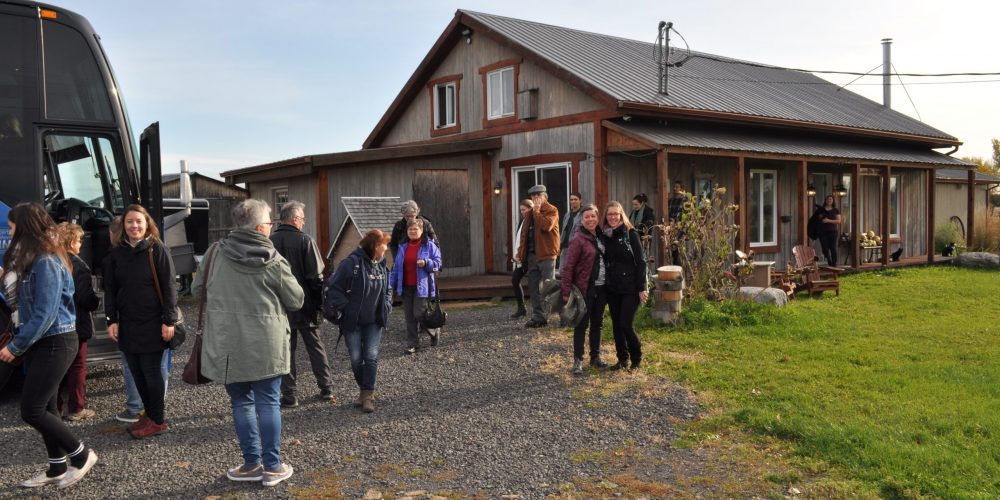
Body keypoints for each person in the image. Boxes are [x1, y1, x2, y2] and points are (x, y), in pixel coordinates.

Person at [194, 199, 303, 487]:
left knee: (241, 402)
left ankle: (251, 464)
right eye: (268, 222)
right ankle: (273, 467)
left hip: (227, 342)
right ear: (258, 228)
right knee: (268, 402)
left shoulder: (215, 253)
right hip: (267, 343)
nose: (270, 227)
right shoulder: (273, 259)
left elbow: (196, 290)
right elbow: (296, 300)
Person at [1, 203, 98, 489]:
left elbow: (45, 313)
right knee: (47, 407)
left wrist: (15, 346)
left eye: (12, 226)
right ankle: (57, 467)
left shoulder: (46, 261)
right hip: (43, 343)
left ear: (25, 227)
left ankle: (81, 455)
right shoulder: (34, 258)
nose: (9, 232)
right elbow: (25, 303)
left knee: (31, 409)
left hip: (56, 341)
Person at [104, 204, 177, 439]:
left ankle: (158, 420)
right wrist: (111, 319)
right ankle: (149, 414)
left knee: (151, 373)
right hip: (127, 324)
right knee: (136, 372)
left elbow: (170, 287)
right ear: (123, 226)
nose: (134, 226)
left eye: (139, 221)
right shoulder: (116, 253)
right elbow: (111, 290)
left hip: (154, 323)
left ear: (147, 224)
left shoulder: (157, 249)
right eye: (129, 222)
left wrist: (169, 320)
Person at [269, 201, 332, 408]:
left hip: (278, 306)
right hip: (305, 304)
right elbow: (316, 277)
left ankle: (290, 395)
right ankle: (326, 388)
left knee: (286, 350)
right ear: (295, 219)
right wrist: (320, 304)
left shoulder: (269, 242)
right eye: (303, 218)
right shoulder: (306, 241)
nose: (304, 222)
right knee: (315, 346)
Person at [325, 229, 392, 413]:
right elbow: (333, 288)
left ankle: (367, 395)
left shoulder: (382, 265)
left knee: (370, 356)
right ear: (375, 246)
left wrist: (387, 305)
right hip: (352, 322)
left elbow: (388, 289)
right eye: (384, 245)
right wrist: (347, 309)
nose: (386, 249)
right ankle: (364, 391)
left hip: (374, 321)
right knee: (356, 359)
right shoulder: (350, 264)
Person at [55, 223, 100, 422]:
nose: (81, 244)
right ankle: (76, 408)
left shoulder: (51, 261)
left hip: (55, 324)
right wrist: (96, 301)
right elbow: (85, 298)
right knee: (77, 366)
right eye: (79, 240)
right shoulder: (79, 266)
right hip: (76, 323)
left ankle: (54, 408)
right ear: (72, 242)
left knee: (56, 368)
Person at [560, 204, 609, 375]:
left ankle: (595, 357)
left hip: (602, 287)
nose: (590, 219)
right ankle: (578, 361)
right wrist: (566, 291)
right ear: (581, 220)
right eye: (586, 217)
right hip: (585, 288)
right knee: (581, 324)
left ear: (597, 217)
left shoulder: (601, 236)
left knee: (597, 323)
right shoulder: (578, 239)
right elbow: (568, 266)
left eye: (593, 216)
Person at [602, 201, 649, 371]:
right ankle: (622, 360)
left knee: (626, 324)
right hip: (613, 287)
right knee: (616, 325)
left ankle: (636, 359)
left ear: (621, 215)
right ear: (606, 217)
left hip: (631, 287)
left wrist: (642, 287)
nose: (613, 217)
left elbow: (641, 262)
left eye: (616, 214)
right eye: (610, 214)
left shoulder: (631, 233)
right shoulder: (605, 236)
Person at [390, 218, 443, 354]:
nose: (413, 231)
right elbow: (396, 268)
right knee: (409, 317)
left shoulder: (429, 245)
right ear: (407, 231)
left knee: (419, 314)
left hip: (422, 287)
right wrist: (390, 286)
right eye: (410, 229)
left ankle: (433, 331)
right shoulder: (403, 247)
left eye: (415, 229)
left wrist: (426, 263)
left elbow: (438, 264)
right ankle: (413, 344)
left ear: (421, 230)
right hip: (405, 287)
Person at [516, 185, 560, 328]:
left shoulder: (552, 210)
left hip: (547, 255)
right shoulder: (529, 213)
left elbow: (546, 226)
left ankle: (559, 314)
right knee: (533, 287)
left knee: (549, 287)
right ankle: (539, 317)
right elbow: (524, 235)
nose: (536, 198)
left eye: (538, 195)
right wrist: (520, 252)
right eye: (533, 196)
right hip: (532, 256)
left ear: (545, 197)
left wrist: (536, 210)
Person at [510, 199, 533, 318]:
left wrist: (523, 256)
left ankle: (541, 312)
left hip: (530, 258)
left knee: (536, 285)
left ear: (530, 209)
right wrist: (517, 255)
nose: (522, 212)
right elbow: (520, 240)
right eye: (521, 210)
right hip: (521, 257)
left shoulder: (532, 222)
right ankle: (522, 308)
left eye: (524, 210)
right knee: (515, 280)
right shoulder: (523, 221)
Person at [667, 182, 690, 264]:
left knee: (680, 251)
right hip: (671, 228)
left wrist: (686, 230)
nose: (675, 189)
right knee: (672, 250)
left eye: (677, 187)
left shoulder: (686, 201)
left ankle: (680, 268)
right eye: (674, 187)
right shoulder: (671, 201)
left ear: (682, 189)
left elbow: (688, 216)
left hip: (681, 228)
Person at [817, 195, 842, 266]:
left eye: (831, 199)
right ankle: (829, 259)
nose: (829, 200)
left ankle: (834, 263)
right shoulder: (821, 210)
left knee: (832, 247)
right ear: (825, 201)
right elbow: (817, 219)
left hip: (832, 231)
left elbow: (839, 221)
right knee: (825, 248)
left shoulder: (835, 210)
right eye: (828, 199)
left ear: (833, 201)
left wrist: (828, 220)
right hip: (822, 232)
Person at [559, 192, 583, 263]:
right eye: (571, 200)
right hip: (565, 247)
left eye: (575, 199)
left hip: (576, 247)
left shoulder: (583, 214)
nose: (573, 201)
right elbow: (563, 231)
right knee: (562, 268)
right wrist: (560, 244)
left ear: (580, 200)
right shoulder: (567, 214)